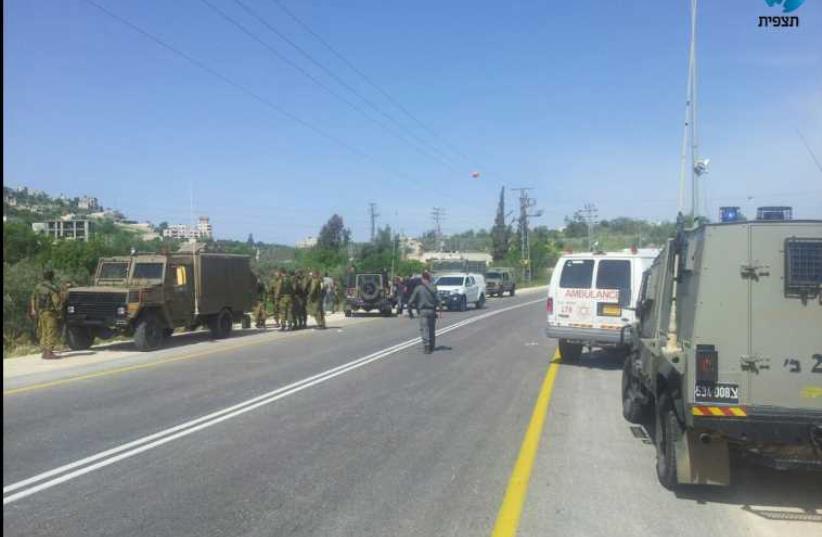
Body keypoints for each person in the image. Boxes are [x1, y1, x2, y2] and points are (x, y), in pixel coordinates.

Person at [30, 269, 63, 360]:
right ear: (52, 276)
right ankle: (49, 352)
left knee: (43, 332)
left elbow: (33, 298)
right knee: (51, 331)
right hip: (50, 313)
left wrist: (33, 310)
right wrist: (60, 312)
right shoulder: (52, 288)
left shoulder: (38, 286)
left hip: (41, 313)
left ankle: (44, 351)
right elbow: (56, 302)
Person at [407, 271, 439, 354]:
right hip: (432, 310)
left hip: (422, 311)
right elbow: (438, 299)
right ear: (429, 278)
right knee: (431, 329)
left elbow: (411, 301)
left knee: (424, 329)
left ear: (423, 279)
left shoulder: (418, 288)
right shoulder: (434, 287)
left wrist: (410, 311)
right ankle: (432, 345)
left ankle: (427, 346)